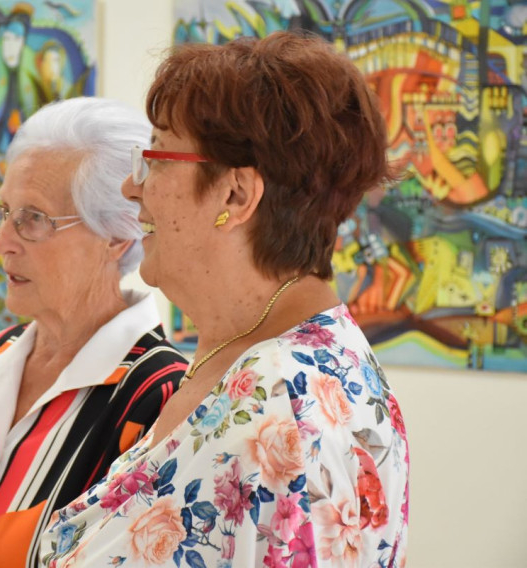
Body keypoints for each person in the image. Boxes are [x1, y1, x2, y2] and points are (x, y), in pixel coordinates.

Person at [40, 32, 410, 568]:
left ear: (235, 195)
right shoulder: (260, 356)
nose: (130, 187)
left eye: (155, 158)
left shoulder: (278, 408)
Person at [0, 97, 188, 568]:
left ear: (117, 236)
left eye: (33, 219)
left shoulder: (160, 396)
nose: (2, 243)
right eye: (3, 212)